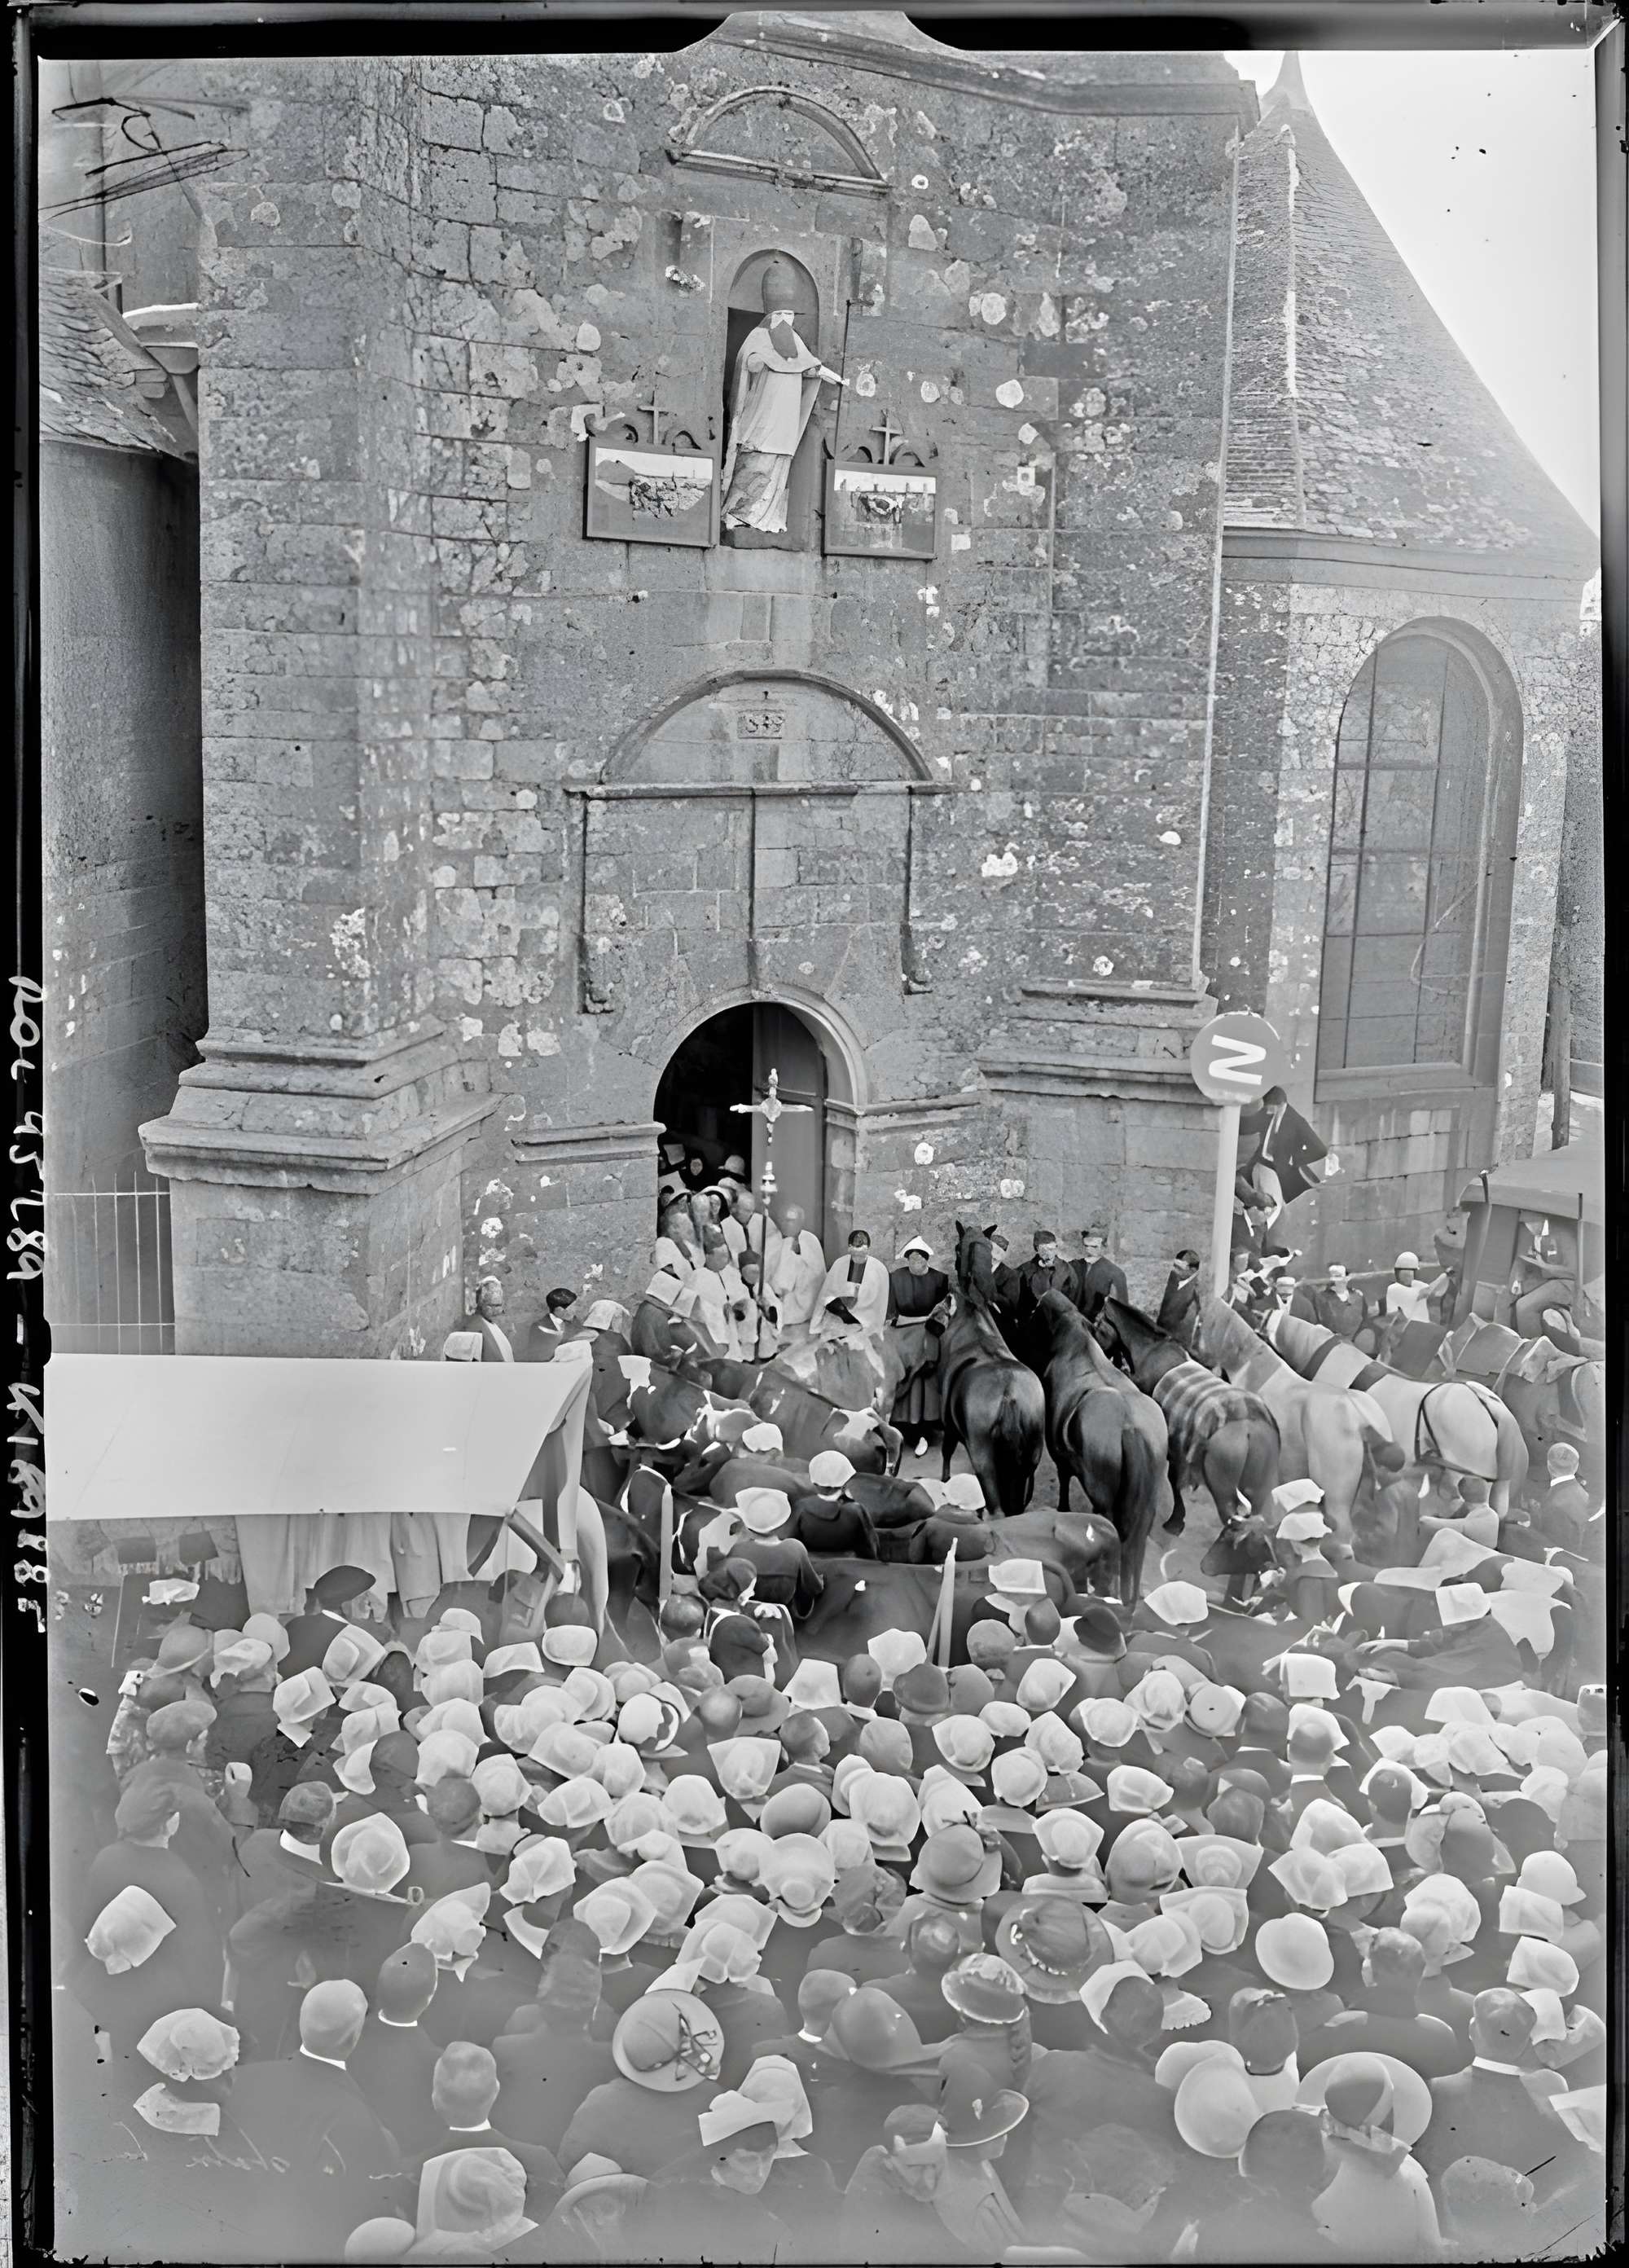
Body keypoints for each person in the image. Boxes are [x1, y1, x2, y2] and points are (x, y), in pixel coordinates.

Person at [721, 259, 849, 538]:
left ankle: (766, 518)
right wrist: (761, 362)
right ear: (774, 316)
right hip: (761, 419)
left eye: (792, 315)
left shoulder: (794, 341)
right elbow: (748, 363)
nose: (789, 320)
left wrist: (833, 377)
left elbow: (810, 366)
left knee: (777, 469)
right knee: (754, 465)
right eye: (784, 315)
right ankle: (736, 515)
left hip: (784, 423)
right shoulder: (757, 339)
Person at [885, 1237, 952, 1457]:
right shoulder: (896, 1278)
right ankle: (898, 1425)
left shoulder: (940, 1279)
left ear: (926, 1260)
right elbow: (892, 1314)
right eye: (911, 1258)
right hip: (901, 1334)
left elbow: (942, 1315)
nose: (915, 1262)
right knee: (897, 1372)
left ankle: (924, 1429)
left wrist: (931, 1326)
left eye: (919, 1258)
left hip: (928, 1333)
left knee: (925, 1373)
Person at [814, 1229, 890, 1343]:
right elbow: (826, 1294)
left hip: (867, 1318)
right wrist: (841, 1300)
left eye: (863, 1243)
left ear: (869, 1247)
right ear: (850, 1246)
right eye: (856, 1243)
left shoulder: (879, 1269)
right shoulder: (839, 1264)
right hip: (839, 1315)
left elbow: (882, 1304)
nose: (859, 1246)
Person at [768, 1202, 827, 1340]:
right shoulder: (771, 1240)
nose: (784, 1223)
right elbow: (767, 1270)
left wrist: (798, 1257)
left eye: (790, 1220)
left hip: (805, 1296)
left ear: (800, 1222)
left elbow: (818, 1272)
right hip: (777, 1294)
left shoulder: (810, 1240)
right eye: (782, 1219)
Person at [1074, 1226, 1128, 1324]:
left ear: (1103, 1246)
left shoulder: (1115, 1273)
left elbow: (1121, 1309)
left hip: (1098, 1326)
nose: (1089, 1250)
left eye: (1094, 1247)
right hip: (1072, 1322)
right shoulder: (1074, 1266)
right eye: (1086, 1246)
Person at [1312, 1263, 1372, 1346]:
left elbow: (1364, 1320)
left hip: (1355, 1345)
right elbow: (1317, 1323)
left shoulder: (1358, 1297)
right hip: (1330, 1344)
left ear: (1347, 1278)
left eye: (1339, 1276)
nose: (1335, 1280)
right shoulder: (1321, 1298)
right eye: (1333, 1276)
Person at [471, 1277, 515, 1363]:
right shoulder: (474, 1327)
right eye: (490, 1306)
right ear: (480, 1303)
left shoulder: (494, 1323)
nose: (495, 1311)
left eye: (498, 1306)